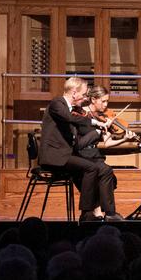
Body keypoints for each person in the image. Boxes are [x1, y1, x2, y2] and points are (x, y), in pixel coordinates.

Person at [38, 77, 113, 222]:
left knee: (100, 168)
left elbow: (75, 138)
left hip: (65, 154)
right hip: (54, 156)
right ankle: (86, 213)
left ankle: (105, 212)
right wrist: (94, 122)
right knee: (90, 168)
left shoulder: (70, 109)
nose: (85, 99)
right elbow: (69, 118)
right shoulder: (57, 103)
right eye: (84, 95)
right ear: (74, 93)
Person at [73, 85, 138, 221]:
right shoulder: (80, 114)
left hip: (95, 156)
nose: (106, 105)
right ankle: (106, 213)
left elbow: (107, 143)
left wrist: (125, 138)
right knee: (104, 172)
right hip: (81, 155)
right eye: (103, 101)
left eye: (107, 101)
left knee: (107, 176)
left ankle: (97, 214)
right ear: (93, 99)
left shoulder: (103, 118)